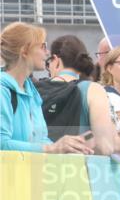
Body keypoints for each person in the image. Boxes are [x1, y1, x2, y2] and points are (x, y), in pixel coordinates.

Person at [1, 22, 93, 154]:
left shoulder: (31, 91)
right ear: (24, 51)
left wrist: (66, 148)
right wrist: (52, 148)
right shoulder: (3, 90)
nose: (48, 52)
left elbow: (41, 139)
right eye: (43, 46)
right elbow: (2, 144)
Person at [34, 34, 119, 155]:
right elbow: (105, 146)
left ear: (56, 60)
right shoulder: (92, 89)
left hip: (35, 167)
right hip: (77, 170)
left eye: (49, 63)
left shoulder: (33, 89)